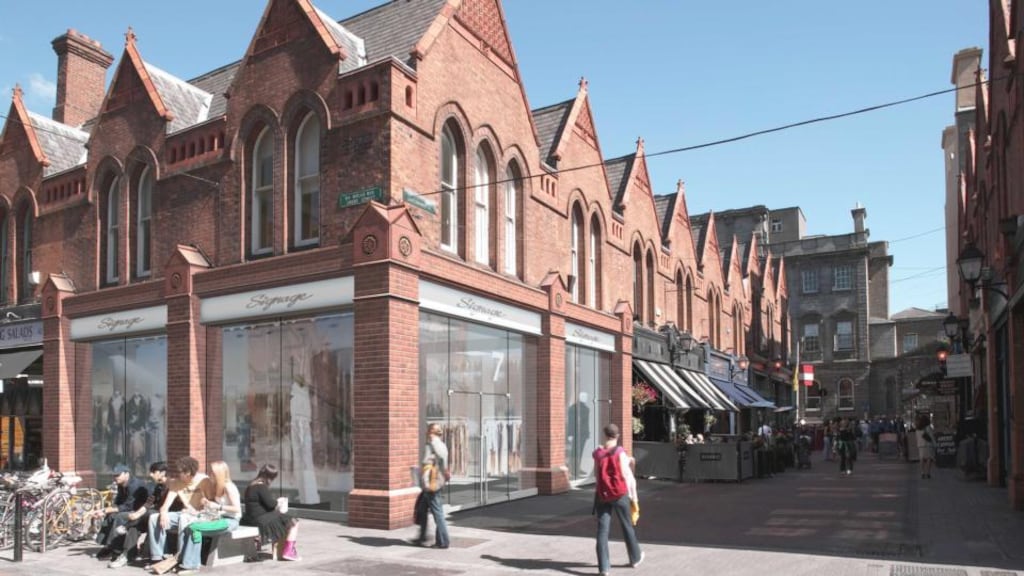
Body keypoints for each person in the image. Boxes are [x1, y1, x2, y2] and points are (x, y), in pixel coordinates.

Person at [593, 423, 643, 576]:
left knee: (602, 530)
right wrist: (633, 496)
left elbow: (598, 470)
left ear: (605, 435)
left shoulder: (597, 453)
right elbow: (627, 476)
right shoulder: (620, 452)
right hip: (619, 494)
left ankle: (604, 568)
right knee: (627, 526)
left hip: (602, 494)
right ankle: (635, 558)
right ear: (618, 436)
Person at [175, 461, 243, 574]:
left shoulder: (229, 487)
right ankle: (187, 561)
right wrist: (207, 503)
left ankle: (191, 564)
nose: (210, 474)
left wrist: (218, 506)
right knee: (191, 527)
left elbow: (237, 509)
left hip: (230, 521)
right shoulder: (217, 486)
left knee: (194, 528)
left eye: (212, 472)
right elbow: (215, 506)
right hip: (219, 518)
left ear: (219, 473)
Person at [147, 456, 215, 569]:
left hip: (201, 515)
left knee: (184, 518)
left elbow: (212, 504)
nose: (178, 474)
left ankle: (180, 557)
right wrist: (163, 513)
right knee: (154, 518)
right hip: (184, 513)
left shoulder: (204, 481)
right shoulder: (176, 483)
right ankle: (158, 557)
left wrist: (199, 509)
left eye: (180, 472)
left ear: (188, 472)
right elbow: (166, 505)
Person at [108, 461, 176, 569]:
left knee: (150, 514)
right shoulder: (158, 487)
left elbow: (169, 507)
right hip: (154, 516)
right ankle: (126, 555)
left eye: (154, 472)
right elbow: (149, 502)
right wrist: (137, 514)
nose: (151, 474)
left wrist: (137, 515)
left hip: (168, 516)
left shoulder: (173, 486)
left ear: (163, 473)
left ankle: (126, 526)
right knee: (136, 526)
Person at [241, 464, 300, 561]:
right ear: (269, 477)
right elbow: (270, 505)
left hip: (250, 519)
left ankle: (286, 550)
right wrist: (278, 502)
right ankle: (289, 551)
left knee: (284, 518)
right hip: (260, 520)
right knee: (294, 522)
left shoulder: (251, 485)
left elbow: (261, 505)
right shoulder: (261, 486)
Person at [94, 463, 150, 561]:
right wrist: (105, 510)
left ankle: (116, 549)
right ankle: (107, 546)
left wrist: (106, 510)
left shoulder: (135, 485)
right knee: (110, 515)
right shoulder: (121, 484)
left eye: (118, 475)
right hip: (131, 509)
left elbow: (129, 506)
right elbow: (119, 502)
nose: (115, 477)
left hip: (140, 512)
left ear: (127, 474)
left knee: (120, 517)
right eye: (114, 475)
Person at [412, 423, 450, 549]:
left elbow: (430, 461)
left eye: (429, 431)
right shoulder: (440, 444)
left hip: (432, 483)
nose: (427, 433)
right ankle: (422, 537)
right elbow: (444, 463)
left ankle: (443, 541)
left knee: (437, 512)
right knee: (422, 510)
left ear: (432, 432)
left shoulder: (433, 444)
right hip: (433, 482)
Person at [916, 414, 936, 479]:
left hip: (920, 445)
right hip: (928, 445)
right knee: (929, 459)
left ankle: (922, 472)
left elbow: (917, 437)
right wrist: (935, 444)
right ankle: (928, 473)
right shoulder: (928, 427)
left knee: (921, 459)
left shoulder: (918, 428)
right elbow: (931, 437)